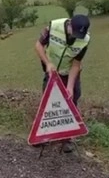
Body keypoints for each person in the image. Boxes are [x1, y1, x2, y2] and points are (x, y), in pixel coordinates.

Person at [34, 14, 91, 153]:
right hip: (52, 71)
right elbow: (38, 45)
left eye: (80, 35)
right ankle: (44, 135)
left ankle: (67, 139)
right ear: (70, 25)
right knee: (48, 103)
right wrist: (48, 63)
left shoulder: (84, 40)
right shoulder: (53, 26)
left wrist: (70, 87)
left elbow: (76, 64)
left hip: (69, 73)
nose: (77, 37)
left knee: (71, 101)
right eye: (75, 33)